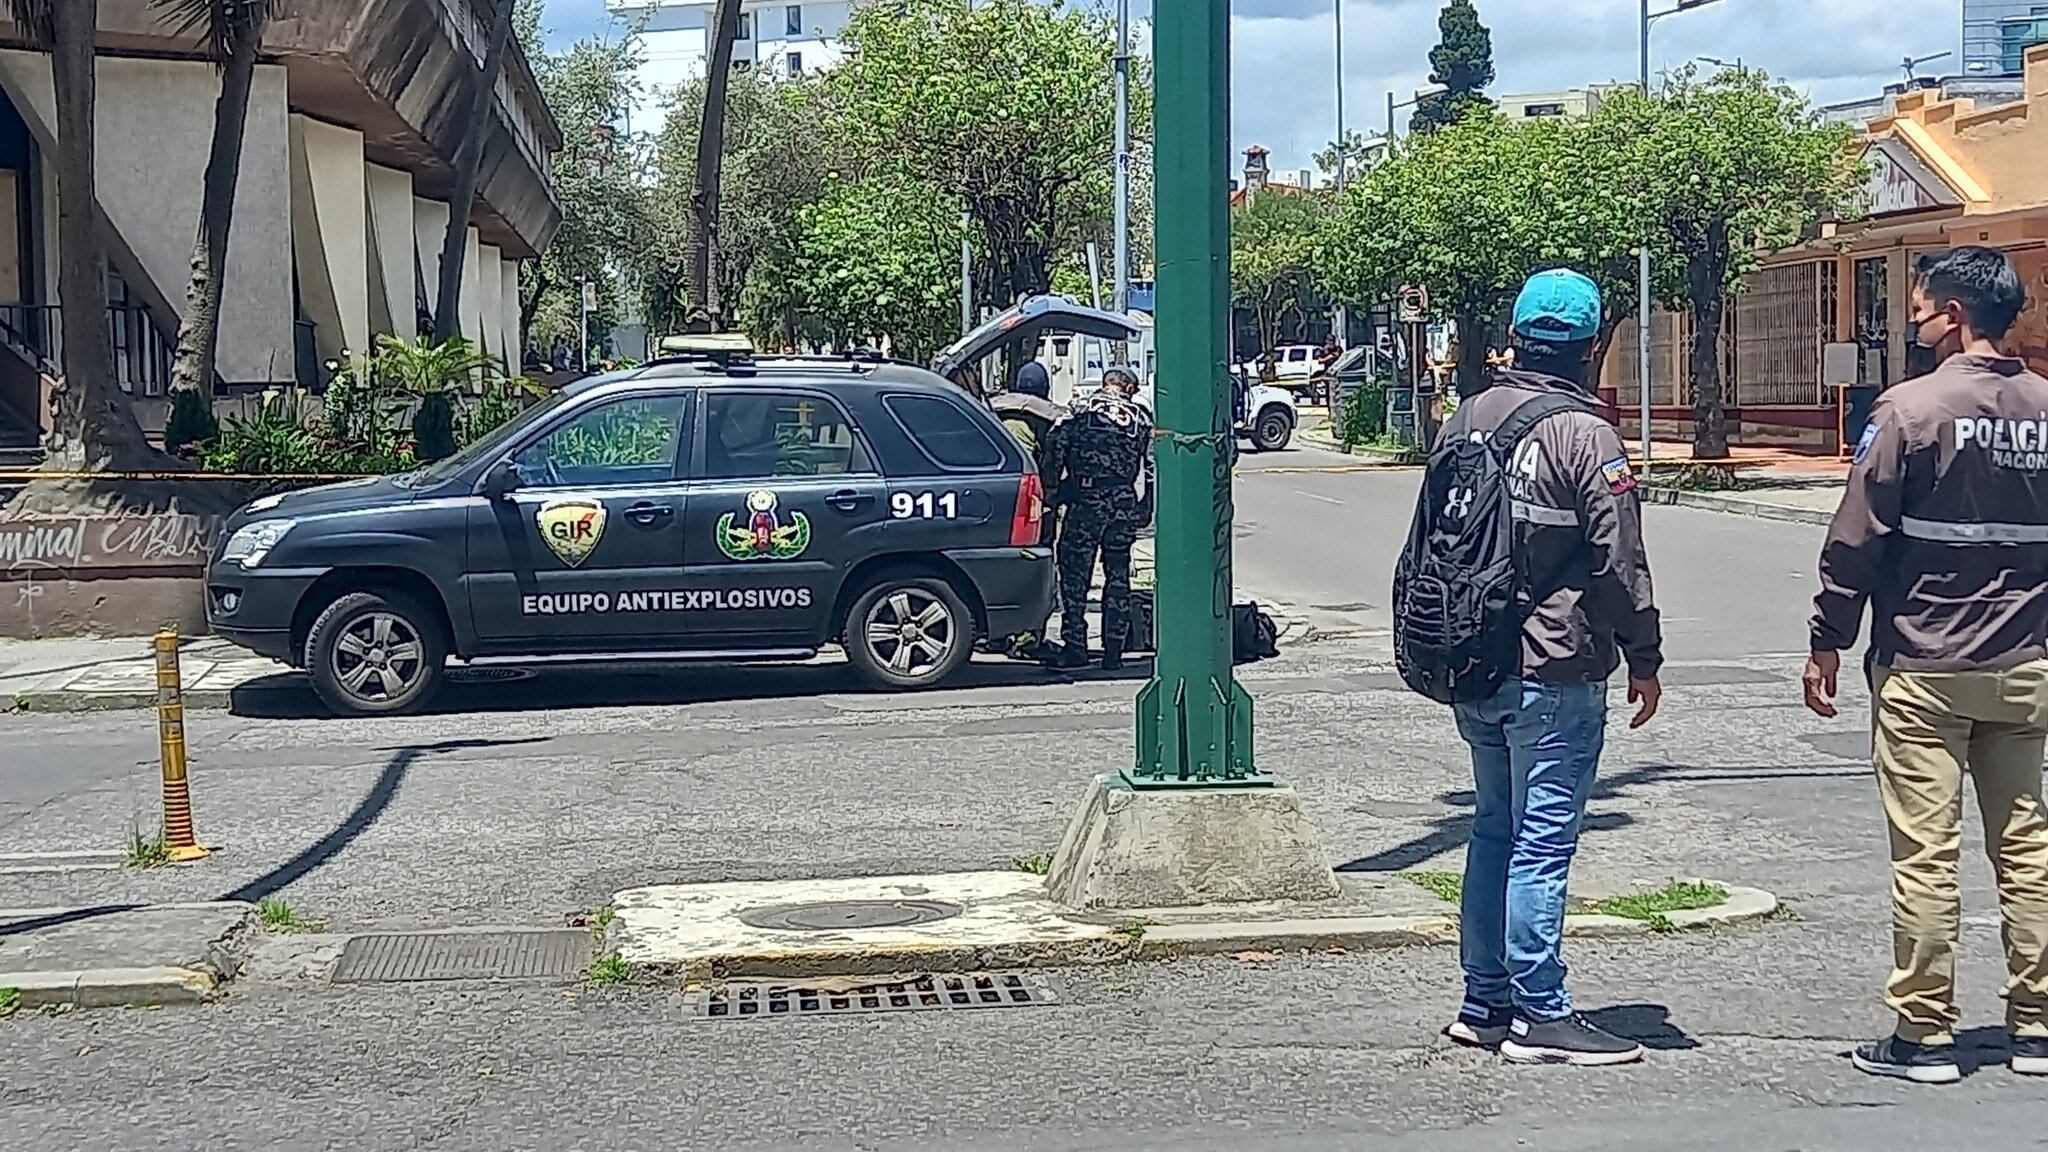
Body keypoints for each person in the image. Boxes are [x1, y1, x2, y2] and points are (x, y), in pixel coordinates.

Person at [1804, 245, 2048, 1086]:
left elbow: (1856, 540)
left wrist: (1826, 638)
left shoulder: (1908, 410)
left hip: (1924, 663)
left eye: (1918, 309)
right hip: (2025, 665)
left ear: (1952, 314)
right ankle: (2037, 1029)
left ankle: (1925, 1035)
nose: (1912, 321)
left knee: (1927, 854)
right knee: (2027, 847)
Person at [1423, 269, 1664, 1067]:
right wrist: (1646, 655)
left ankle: (1483, 999)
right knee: (1542, 842)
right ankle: (1541, 1012)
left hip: (1474, 662)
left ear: (1517, 336)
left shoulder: (1467, 418)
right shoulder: (1584, 433)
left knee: (1493, 829)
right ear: (1592, 346)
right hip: (1555, 668)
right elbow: (1619, 558)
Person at [1044, 366, 1153, 670]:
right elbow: (1153, 463)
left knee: (1076, 576)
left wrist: (1052, 488)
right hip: (1122, 503)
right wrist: (1147, 505)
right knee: (1118, 576)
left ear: (1107, 384)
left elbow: (1055, 445)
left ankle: (1076, 646)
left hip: (1085, 502)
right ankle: (1114, 650)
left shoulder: (1080, 409)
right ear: (1129, 388)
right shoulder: (1140, 418)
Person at [988, 362, 1067, 544]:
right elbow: (1053, 458)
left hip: (998, 486)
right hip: (1037, 491)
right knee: (1040, 543)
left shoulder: (993, 409)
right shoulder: (1050, 416)